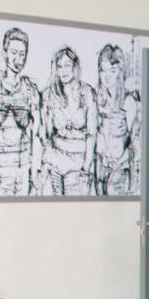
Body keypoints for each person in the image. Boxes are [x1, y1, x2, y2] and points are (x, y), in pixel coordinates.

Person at [0, 26, 40, 196]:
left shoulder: (30, 88)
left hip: (21, 165)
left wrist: (35, 167)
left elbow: (36, 132)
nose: (18, 59)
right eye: (14, 53)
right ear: (4, 53)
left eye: (22, 54)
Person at [39, 45, 96, 195]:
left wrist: (86, 167)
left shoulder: (87, 93)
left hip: (78, 164)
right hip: (56, 161)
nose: (63, 71)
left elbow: (92, 134)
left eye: (67, 65)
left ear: (75, 67)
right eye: (59, 66)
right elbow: (45, 134)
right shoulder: (49, 94)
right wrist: (47, 162)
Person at [94, 43, 139, 195]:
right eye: (103, 70)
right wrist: (102, 157)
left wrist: (119, 161)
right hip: (101, 167)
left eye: (112, 71)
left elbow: (134, 141)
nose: (106, 76)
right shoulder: (97, 98)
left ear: (119, 72)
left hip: (120, 169)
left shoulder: (127, 100)